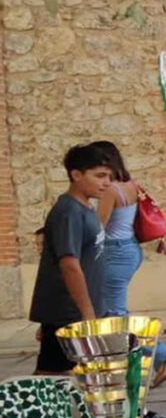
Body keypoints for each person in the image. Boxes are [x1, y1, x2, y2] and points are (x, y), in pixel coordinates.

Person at [93, 141, 166, 418]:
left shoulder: (110, 191)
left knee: (114, 318)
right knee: (113, 315)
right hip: (130, 250)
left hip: (113, 253)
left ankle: (161, 353)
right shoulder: (131, 185)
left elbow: (98, 228)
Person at [30, 145, 112, 374]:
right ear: (76, 175)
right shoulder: (68, 211)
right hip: (69, 312)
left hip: (83, 309)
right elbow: (69, 265)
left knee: (79, 376)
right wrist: (86, 312)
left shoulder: (86, 208)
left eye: (109, 176)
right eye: (99, 176)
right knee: (52, 378)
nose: (106, 182)